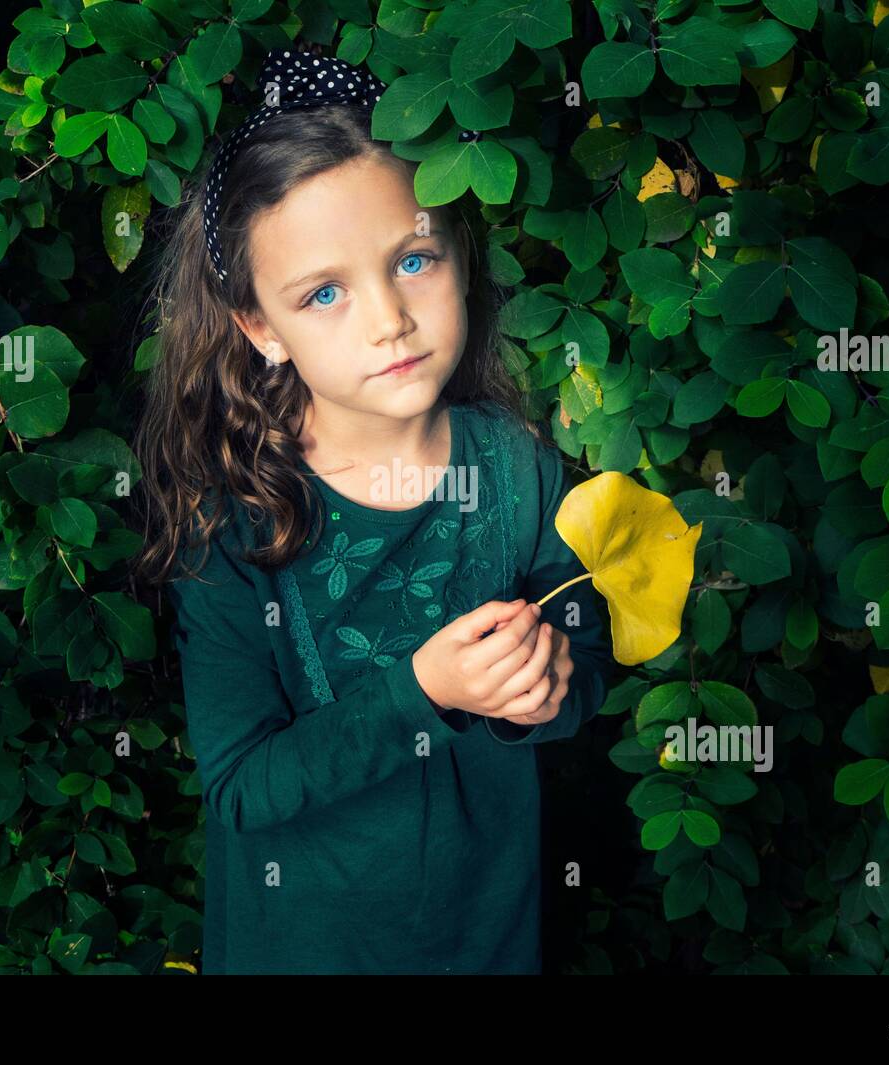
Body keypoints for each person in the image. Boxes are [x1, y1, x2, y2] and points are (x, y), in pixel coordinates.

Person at [133, 48, 618, 975]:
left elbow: (583, 657)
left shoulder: (518, 469)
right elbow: (241, 785)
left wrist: (544, 690)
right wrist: (425, 691)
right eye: (324, 292)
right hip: (308, 947)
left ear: (459, 254)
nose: (388, 318)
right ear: (261, 328)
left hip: (487, 933)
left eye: (414, 259)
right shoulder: (236, 522)